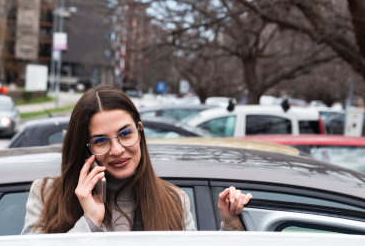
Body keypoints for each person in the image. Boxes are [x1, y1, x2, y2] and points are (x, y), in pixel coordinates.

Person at [22, 86, 252, 234]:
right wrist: (90, 221)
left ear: (139, 131)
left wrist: (231, 225)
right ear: (85, 147)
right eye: (101, 140)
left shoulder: (173, 201)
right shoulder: (46, 194)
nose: (117, 150)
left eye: (125, 134)